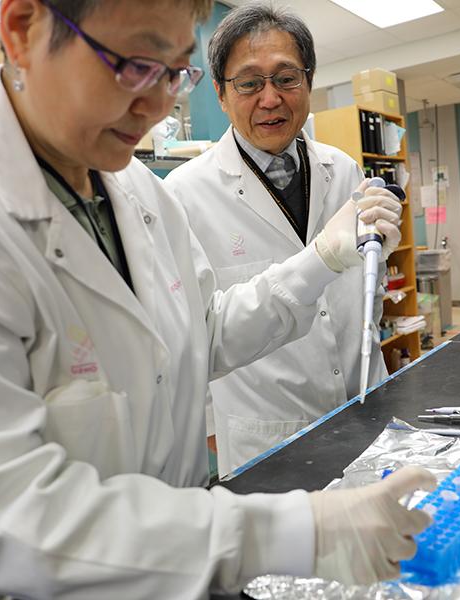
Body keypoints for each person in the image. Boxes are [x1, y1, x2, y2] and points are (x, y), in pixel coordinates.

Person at [0, 0, 435, 597]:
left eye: (173, 72)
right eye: (134, 64)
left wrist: (322, 261)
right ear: (21, 29)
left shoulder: (138, 188)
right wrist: (296, 531)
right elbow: (11, 522)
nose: (158, 104)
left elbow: (208, 332)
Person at [165, 3, 388, 476]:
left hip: (366, 404)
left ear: (308, 82)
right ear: (223, 96)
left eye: (286, 78)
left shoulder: (343, 168)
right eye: (249, 83)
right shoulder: (183, 195)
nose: (270, 98)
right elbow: (190, 332)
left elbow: (366, 282)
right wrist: (209, 423)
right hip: (267, 433)